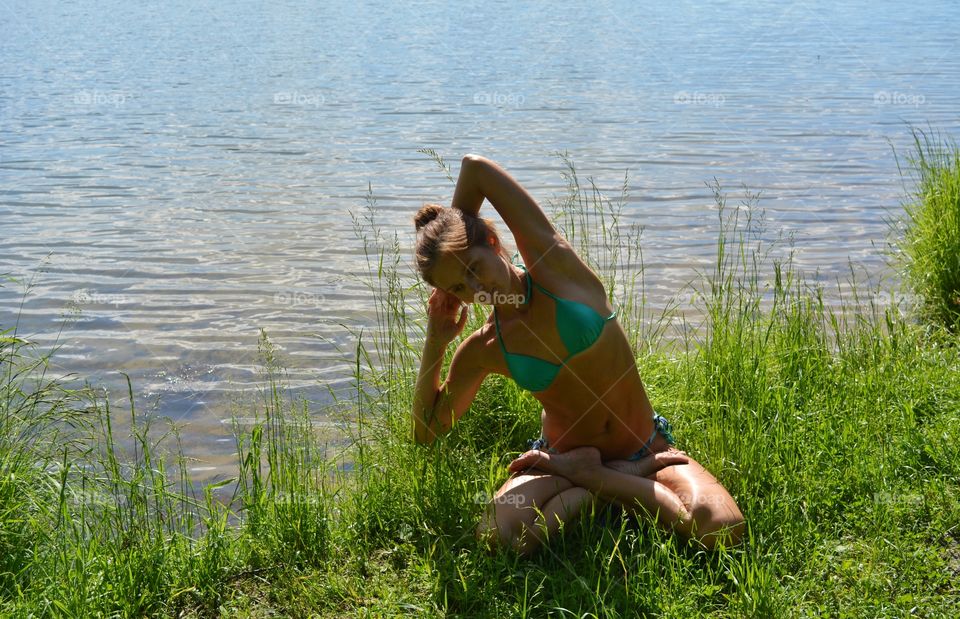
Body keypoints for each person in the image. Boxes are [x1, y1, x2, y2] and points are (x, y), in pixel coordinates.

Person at [411, 154, 745, 555]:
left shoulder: (556, 270)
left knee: (722, 528)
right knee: (493, 535)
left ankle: (598, 481)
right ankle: (599, 486)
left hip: (644, 447)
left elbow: (475, 169)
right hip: (557, 462)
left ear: (493, 241)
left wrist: (458, 229)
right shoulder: (486, 347)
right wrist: (436, 339)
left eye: (473, 266)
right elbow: (427, 431)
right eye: (459, 288)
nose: (475, 288)